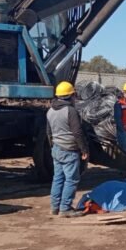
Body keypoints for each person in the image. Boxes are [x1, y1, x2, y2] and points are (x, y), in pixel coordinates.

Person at [47, 81, 89, 217]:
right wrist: (84, 149)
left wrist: (52, 146)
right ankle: (65, 209)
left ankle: (55, 207)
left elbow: (48, 132)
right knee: (71, 179)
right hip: (69, 150)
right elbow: (77, 132)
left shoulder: (50, 110)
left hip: (57, 148)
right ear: (70, 96)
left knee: (58, 178)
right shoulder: (70, 111)